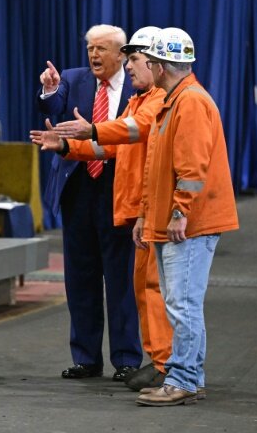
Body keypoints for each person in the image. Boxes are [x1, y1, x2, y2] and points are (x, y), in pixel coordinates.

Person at [31, 27, 173, 391]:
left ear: (123, 55)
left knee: (123, 277)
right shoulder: (74, 78)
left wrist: (91, 131)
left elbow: (124, 134)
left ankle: (126, 359)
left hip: (119, 190)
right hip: (79, 189)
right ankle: (85, 357)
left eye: (102, 49)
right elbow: (52, 110)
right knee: (80, 277)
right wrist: (51, 97)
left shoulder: (144, 92)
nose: (94, 55)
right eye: (90, 48)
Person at [133, 27, 239, 406]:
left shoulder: (189, 102)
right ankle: (189, 378)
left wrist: (180, 212)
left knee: (182, 304)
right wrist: (146, 214)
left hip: (189, 224)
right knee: (180, 303)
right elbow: (157, 167)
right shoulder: (175, 101)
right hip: (175, 221)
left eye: (150, 62)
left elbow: (192, 167)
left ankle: (183, 380)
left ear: (160, 66)